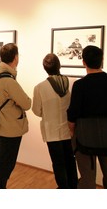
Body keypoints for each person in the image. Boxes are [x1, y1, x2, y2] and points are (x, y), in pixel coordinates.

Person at [32, 53, 78, 189]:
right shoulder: (71, 82)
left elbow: (36, 111)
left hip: (51, 131)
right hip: (69, 130)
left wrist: (47, 114)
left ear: (45, 68)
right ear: (59, 65)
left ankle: (63, 188)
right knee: (70, 160)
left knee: (58, 163)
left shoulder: (40, 87)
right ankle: (73, 186)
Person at [0, 43, 31, 188]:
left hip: (0, 125)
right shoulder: (9, 81)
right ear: (15, 57)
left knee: (0, 159)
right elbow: (27, 103)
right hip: (10, 128)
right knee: (6, 163)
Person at [67, 45, 107, 188]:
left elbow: (72, 113)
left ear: (83, 62)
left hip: (85, 138)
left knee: (88, 180)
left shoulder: (79, 85)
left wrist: (71, 131)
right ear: (101, 60)